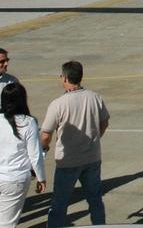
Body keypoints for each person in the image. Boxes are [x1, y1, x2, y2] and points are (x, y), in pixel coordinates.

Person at [40, 61, 109, 227]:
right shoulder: (95, 97)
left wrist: (44, 147)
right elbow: (104, 122)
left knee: (59, 204)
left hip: (68, 161)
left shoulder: (58, 104)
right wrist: (95, 138)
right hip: (92, 158)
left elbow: (46, 134)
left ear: (64, 78)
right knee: (95, 200)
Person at [0, 82, 44, 228]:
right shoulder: (29, 122)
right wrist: (41, 178)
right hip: (15, 179)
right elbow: (35, 155)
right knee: (7, 224)